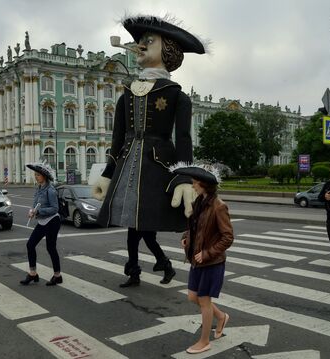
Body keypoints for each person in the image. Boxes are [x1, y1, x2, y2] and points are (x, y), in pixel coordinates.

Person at [92, 15, 207, 287]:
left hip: (157, 171)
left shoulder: (177, 95)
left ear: (168, 50)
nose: (140, 46)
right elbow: (117, 137)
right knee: (136, 228)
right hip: (128, 169)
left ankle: (145, 268)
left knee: (140, 229)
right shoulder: (127, 94)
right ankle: (148, 267)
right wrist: (108, 174)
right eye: (139, 42)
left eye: (148, 41)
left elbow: (183, 138)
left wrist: (184, 178)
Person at [172, 164, 233, 354]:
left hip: (211, 261)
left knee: (204, 300)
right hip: (197, 260)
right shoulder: (200, 202)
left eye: (194, 183)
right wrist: (186, 238)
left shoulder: (219, 206)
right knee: (193, 297)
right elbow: (196, 229)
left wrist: (207, 253)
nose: (192, 186)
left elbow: (228, 237)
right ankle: (221, 317)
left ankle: (204, 341)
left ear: (203, 184)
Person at [20, 161, 62, 286]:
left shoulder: (51, 190)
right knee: (30, 245)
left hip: (52, 221)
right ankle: (33, 274)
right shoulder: (38, 189)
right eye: (35, 174)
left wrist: (38, 211)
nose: (36, 176)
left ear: (44, 176)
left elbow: (55, 209)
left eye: (38, 175)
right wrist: (31, 211)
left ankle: (57, 276)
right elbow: (35, 204)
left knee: (51, 248)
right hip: (42, 221)